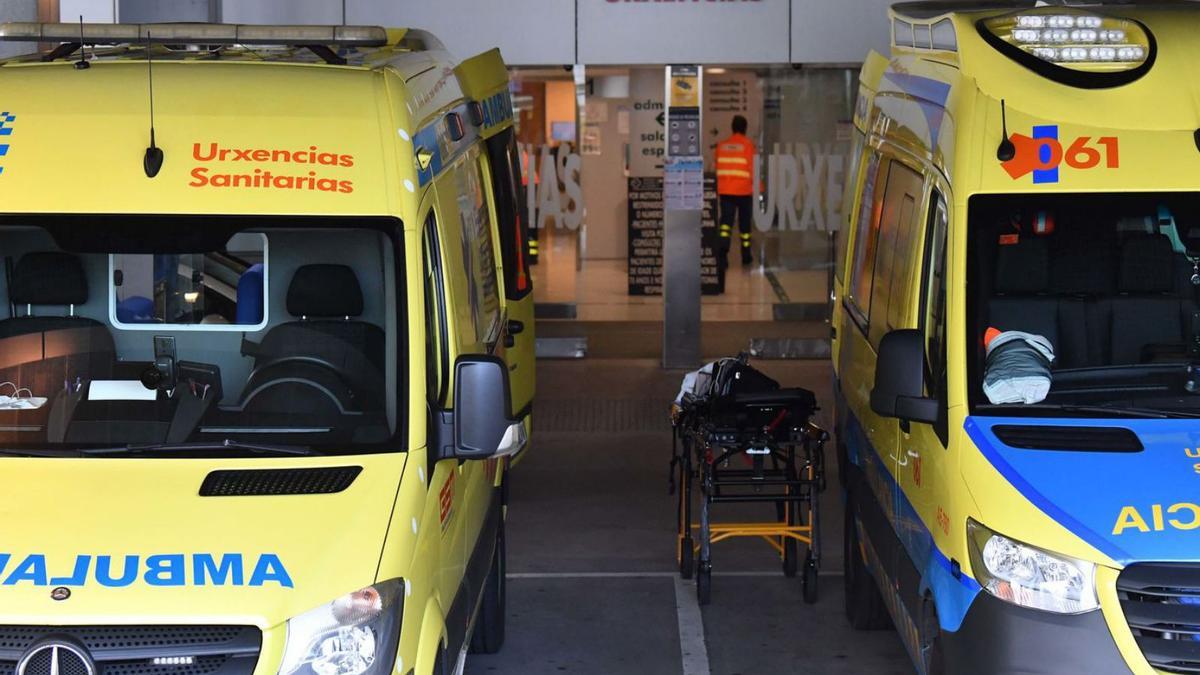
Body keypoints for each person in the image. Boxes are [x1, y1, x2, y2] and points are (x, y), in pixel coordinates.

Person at [715, 116, 756, 282]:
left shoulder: (721, 146)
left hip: (726, 192)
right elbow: (753, 169)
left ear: (732, 128)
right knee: (745, 227)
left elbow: (718, 167)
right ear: (745, 128)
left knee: (726, 224)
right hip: (744, 192)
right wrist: (759, 188)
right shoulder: (748, 145)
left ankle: (723, 255)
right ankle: (745, 256)